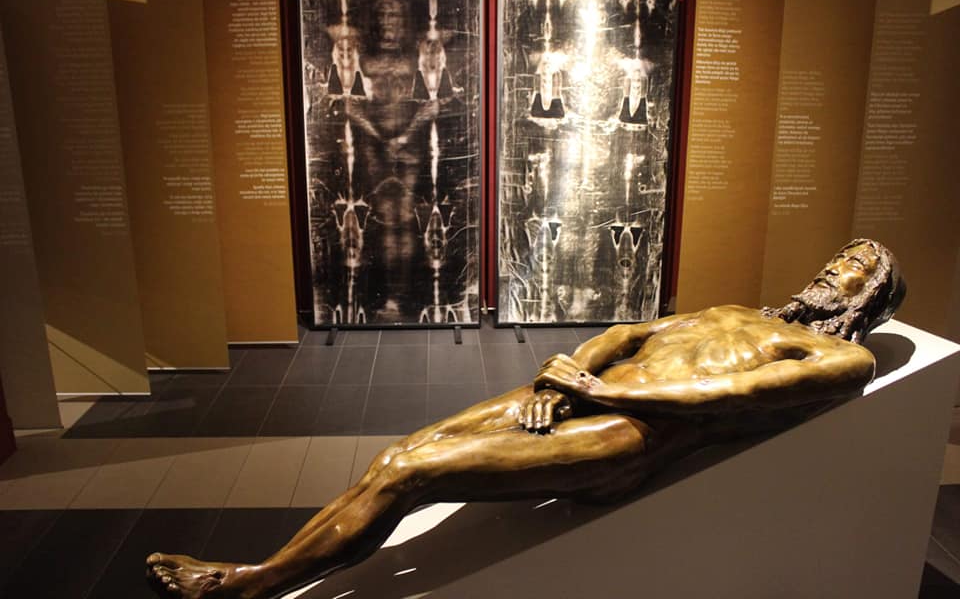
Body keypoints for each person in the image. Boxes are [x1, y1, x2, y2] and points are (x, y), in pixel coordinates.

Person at [147, 239, 905, 599]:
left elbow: (728, 400)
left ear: (871, 297)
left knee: (416, 474)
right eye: (840, 255)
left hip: (633, 434)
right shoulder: (737, 309)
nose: (836, 265)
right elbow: (632, 332)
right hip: (586, 393)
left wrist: (605, 396)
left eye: (857, 266)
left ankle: (247, 586)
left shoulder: (841, 359)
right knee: (402, 452)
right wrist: (562, 375)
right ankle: (265, 574)